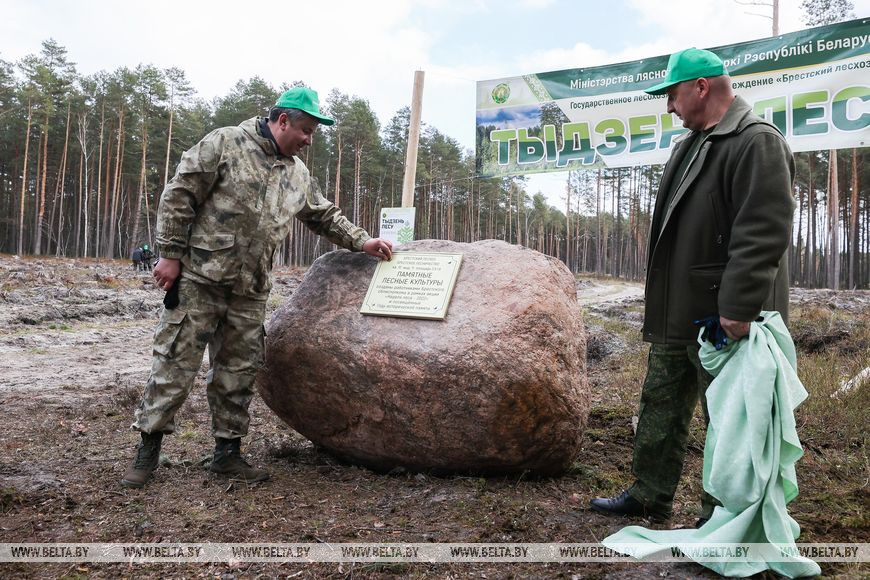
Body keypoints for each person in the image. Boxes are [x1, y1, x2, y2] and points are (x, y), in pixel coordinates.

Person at [121, 87, 393, 488]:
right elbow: (180, 194)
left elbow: (323, 215)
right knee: (174, 365)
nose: (309, 139)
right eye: (306, 130)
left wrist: (362, 241)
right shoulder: (226, 143)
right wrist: (170, 254)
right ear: (283, 121)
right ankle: (148, 451)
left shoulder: (297, 174)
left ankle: (227, 454)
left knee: (238, 372)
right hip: (199, 281)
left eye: (313, 133)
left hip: (250, 290)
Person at [589, 48, 794, 524]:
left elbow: (762, 232)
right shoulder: (690, 145)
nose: (668, 107)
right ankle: (649, 493)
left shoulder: (756, 141)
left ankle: (723, 514)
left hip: (723, 316)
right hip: (680, 308)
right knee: (660, 400)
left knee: (729, 416)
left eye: (672, 94)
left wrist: (739, 307)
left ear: (701, 87)